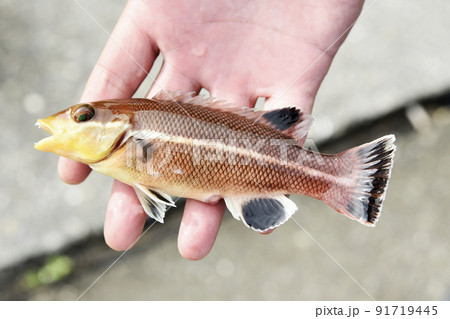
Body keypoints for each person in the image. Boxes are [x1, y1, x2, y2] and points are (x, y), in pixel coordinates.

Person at [58, 0, 364, 260]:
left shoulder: (133, 144)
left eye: (83, 116)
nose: (70, 123)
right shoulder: (133, 144)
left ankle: (339, 180)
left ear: (120, 126)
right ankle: (338, 179)